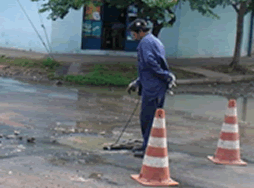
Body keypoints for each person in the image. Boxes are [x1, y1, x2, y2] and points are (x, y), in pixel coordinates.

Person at [126, 18, 176, 158]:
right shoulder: (154, 40)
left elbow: (149, 62)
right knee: (153, 119)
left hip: (153, 88)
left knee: (147, 119)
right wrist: (138, 82)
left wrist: (165, 75)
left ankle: (148, 148)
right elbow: (148, 68)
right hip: (155, 86)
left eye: (134, 33)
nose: (133, 36)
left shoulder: (145, 43)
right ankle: (147, 145)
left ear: (141, 32)